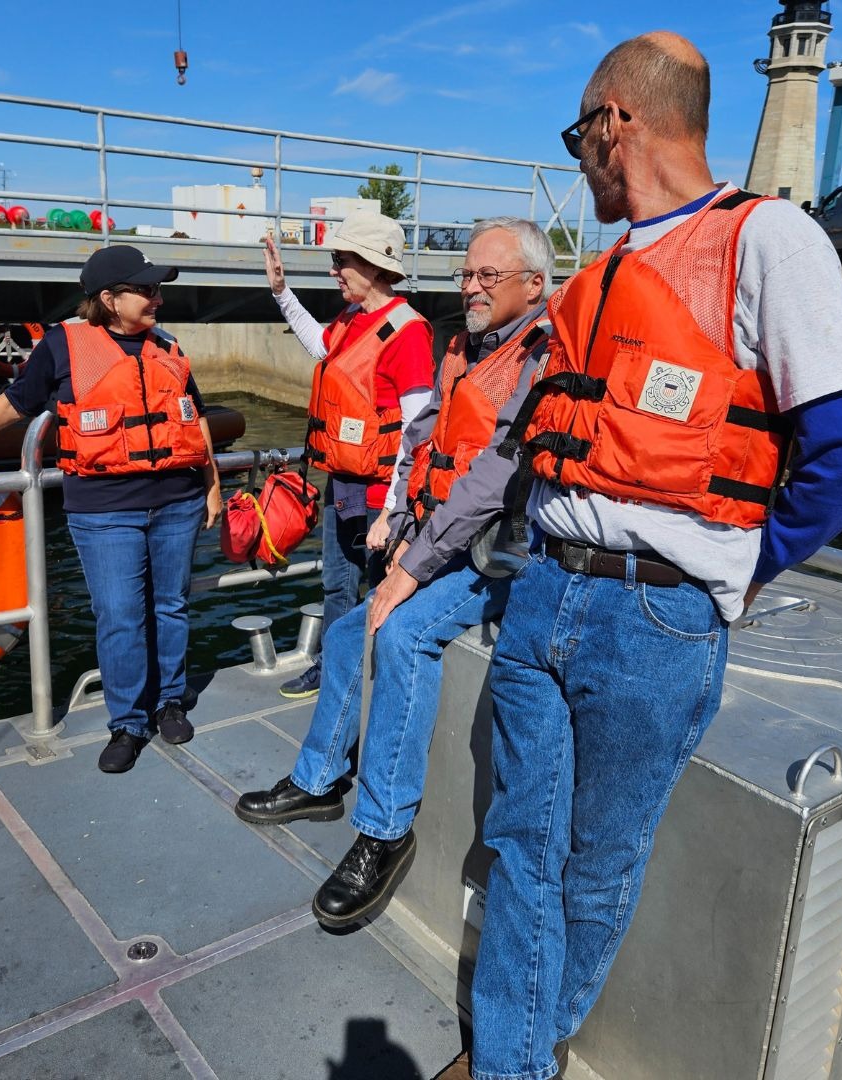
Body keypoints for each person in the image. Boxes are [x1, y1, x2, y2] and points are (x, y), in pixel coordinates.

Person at [423, 32, 842, 1080]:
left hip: (657, 618)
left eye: (578, 138)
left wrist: (746, 559)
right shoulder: (605, 273)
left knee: (595, 866)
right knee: (521, 845)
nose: (579, 163)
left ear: (616, 123)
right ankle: (512, 1059)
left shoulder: (766, 239)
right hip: (545, 587)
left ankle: (515, 1057)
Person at [235, 217, 555, 929]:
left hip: (502, 556)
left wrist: (410, 565)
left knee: (403, 632)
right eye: (466, 275)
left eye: (487, 277)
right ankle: (319, 780)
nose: (469, 287)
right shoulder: (465, 349)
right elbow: (424, 444)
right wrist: (399, 521)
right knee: (352, 632)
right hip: (444, 541)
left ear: (534, 285)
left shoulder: (541, 358)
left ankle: (384, 831)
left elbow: (492, 479)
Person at [0, 245, 222, 775]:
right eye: (145, 290)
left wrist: (211, 482)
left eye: (156, 288)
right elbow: (16, 402)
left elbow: (196, 415)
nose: (157, 298)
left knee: (171, 607)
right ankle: (127, 722)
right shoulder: (63, 346)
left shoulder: (168, 345)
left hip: (177, 503)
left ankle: (169, 701)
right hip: (104, 512)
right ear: (109, 299)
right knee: (119, 617)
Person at [263, 210, 433, 699]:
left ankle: (377, 680)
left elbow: (417, 428)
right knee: (337, 586)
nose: (334, 271)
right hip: (345, 483)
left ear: (375, 266)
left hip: (383, 495)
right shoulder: (350, 318)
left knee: (383, 592)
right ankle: (334, 669)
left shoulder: (408, 331)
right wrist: (281, 293)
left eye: (341, 261)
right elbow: (322, 346)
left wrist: (396, 508)